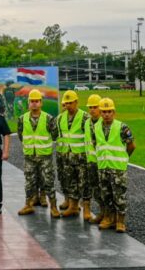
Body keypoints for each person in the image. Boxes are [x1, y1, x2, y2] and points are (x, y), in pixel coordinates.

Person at [16, 89, 60, 218]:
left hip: (45, 157)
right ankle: (28, 205)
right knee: (29, 182)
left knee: (49, 182)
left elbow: (55, 135)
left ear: (41, 103)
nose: (34, 103)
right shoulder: (22, 119)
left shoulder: (48, 118)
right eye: (32, 101)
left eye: (37, 101)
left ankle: (53, 207)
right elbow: (21, 136)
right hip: (29, 157)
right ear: (28, 103)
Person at [93, 98, 135, 233]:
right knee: (106, 195)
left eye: (109, 111)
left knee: (119, 196)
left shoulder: (122, 127)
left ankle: (120, 221)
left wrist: (124, 158)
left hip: (118, 169)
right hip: (103, 167)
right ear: (100, 113)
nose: (106, 114)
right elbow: (96, 144)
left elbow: (131, 146)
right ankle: (109, 219)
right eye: (104, 112)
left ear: (114, 112)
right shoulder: (96, 127)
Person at [56, 90, 90, 218]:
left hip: (81, 157)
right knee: (69, 181)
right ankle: (73, 206)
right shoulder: (60, 118)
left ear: (76, 102)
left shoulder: (85, 117)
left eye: (71, 103)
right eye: (66, 103)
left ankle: (86, 209)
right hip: (65, 156)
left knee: (84, 183)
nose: (68, 105)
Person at [83, 94, 105, 224]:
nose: (92, 110)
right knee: (96, 190)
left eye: (95, 107)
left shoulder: (105, 123)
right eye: (90, 107)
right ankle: (102, 213)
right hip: (91, 162)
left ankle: (110, 216)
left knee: (106, 191)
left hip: (104, 163)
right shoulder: (86, 123)